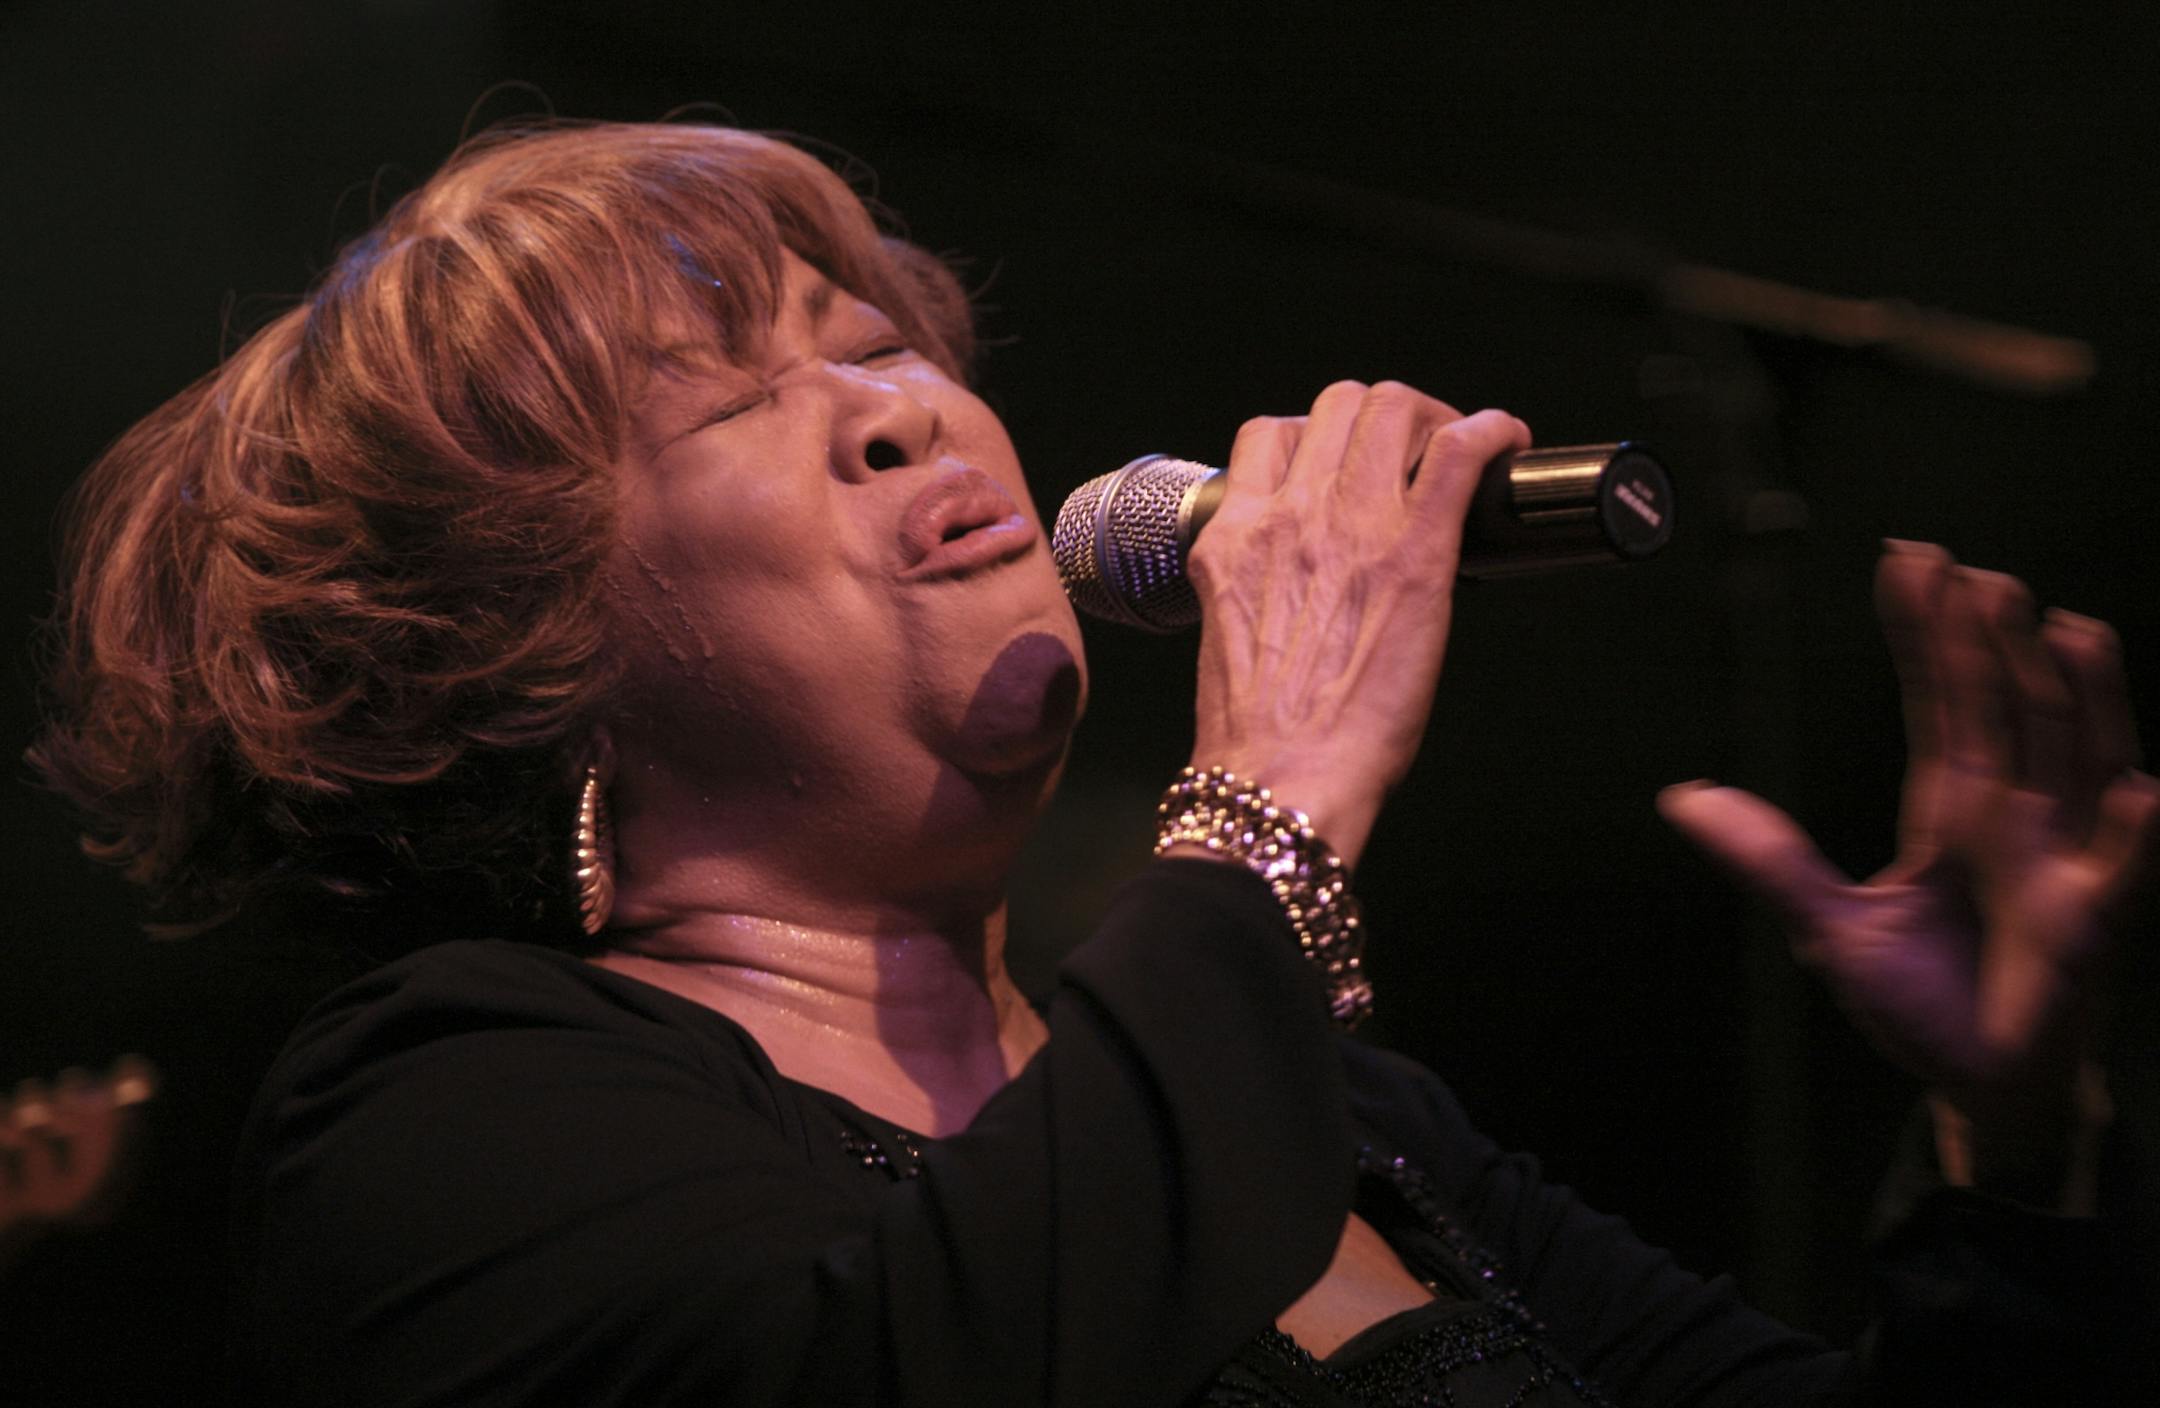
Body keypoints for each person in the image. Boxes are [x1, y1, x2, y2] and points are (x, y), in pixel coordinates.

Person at [30, 120, 2155, 1405]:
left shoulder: (1338, 1109)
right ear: (528, 653)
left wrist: (2014, 1139)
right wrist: (1282, 787)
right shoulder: (440, 1113)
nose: (897, 408)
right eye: (725, 402)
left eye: (873, 342)